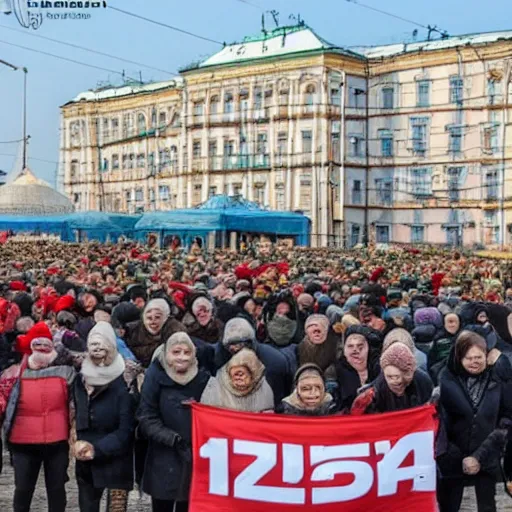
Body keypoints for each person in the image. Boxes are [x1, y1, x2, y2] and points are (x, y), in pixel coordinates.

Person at [0, 322, 75, 512]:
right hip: (22, 442)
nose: (41, 351)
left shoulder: (67, 371)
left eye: (45, 346)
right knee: (23, 490)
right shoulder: (13, 373)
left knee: (57, 490)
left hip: (57, 442)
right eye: (37, 346)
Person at [437, 330, 512, 512]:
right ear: (459, 358)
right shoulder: (446, 380)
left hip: (487, 455)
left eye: (478, 357)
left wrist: (479, 456)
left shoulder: (497, 379)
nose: (474, 362)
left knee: (487, 506)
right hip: (453, 459)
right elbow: (441, 425)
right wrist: (460, 458)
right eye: (469, 358)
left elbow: (506, 419)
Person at [137, 332, 210, 512]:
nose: (182, 357)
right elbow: (146, 416)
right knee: (162, 505)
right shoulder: (155, 375)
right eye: (176, 352)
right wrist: (171, 438)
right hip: (163, 454)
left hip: (193, 455)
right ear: (167, 354)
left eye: (187, 352)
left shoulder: (203, 378)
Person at [71, 321, 135, 512]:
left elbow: (126, 429)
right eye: (93, 344)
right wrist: (75, 439)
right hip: (86, 461)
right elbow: (78, 415)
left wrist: (97, 448)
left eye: (102, 344)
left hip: (116, 458)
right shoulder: (80, 379)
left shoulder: (124, 381)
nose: (97, 349)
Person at [214, 318, 290, 405]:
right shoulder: (218, 359)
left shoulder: (274, 362)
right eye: (231, 345)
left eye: (241, 344)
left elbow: (279, 395)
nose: (236, 348)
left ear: (252, 343)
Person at [351, 341, 433, 414]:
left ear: (407, 374)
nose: (393, 381)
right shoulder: (371, 396)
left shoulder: (423, 382)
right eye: (389, 376)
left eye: (397, 376)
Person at [201, 347, 273, 412]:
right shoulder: (215, 386)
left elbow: (266, 419)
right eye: (235, 375)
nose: (238, 380)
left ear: (253, 375)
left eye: (241, 375)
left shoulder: (264, 388)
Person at [127, 298, 185, 367]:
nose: (152, 322)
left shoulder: (176, 330)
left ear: (165, 318)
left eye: (157, 317)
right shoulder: (134, 331)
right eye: (149, 318)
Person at [335, 325, 380, 411]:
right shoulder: (337, 372)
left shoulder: (378, 368)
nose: (355, 350)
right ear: (344, 351)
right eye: (350, 346)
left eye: (360, 346)